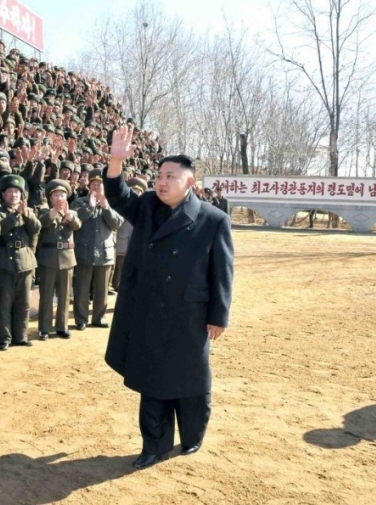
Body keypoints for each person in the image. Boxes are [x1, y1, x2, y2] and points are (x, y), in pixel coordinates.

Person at [103, 126, 234, 470]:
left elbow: (222, 272)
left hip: (190, 313)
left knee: (190, 377)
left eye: (171, 176)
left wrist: (219, 315)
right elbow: (117, 196)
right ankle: (154, 445)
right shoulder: (146, 206)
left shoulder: (213, 219)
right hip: (148, 309)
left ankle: (192, 436)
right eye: (159, 175)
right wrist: (116, 161)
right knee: (153, 378)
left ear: (189, 182)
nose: (161, 182)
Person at [0, 174, 41, 350]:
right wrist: (15, 215)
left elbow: (36, 228)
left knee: (23, 303)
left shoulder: (28, 210)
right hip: (4, 262)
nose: (14, 195)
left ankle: (21, 335)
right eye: (10, 191)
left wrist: (25, 214)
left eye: (17, 192)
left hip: (25, 262)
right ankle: (4, 338)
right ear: (3, 194)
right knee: (4, 303)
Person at [70, 168, 123, 330]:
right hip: (83, 252)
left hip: (105, 253)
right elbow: (75, 221)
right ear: (89, 186)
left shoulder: (112, 203)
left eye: (100, 184)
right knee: (81, 289)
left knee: (102, 290)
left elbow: (117, 224)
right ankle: (81, 319)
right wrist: (90, 206)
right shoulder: (79, 202)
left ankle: (99, 317)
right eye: (93, 184)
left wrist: (105, 207)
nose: (96, 187)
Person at [36, 179, 82, 340]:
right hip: (48, 258)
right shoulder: (44, 211)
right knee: (47, 295)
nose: (60, 198)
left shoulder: (72, 213)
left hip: (67, 258)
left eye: (62, 195)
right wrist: (54, 212)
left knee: (64, 295)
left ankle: (62, 326)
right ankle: (44, 328)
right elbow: (41, 224)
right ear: (50, 198)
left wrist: (69, 216)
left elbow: (77, 226)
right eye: (56, 195)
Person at [112, 178, 147, 293]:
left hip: (135, 243)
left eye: (138, 192)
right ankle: (116, 285)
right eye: (133, 191)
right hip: (122, 241)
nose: (136, 194)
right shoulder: (122, 205)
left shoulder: (145, 207)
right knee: (119, 267)